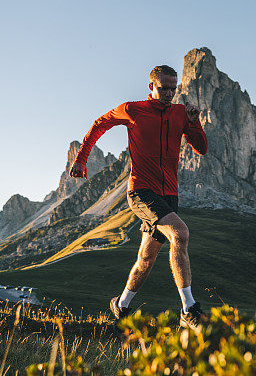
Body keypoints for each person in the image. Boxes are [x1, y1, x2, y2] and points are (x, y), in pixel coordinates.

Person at [69, 64, 208, 331]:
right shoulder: (133, 110)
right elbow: (100, 124)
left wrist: (194, 121)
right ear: (151, 87)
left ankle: (121, 305)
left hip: (170, 195)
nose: (169, 93)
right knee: (180, 234)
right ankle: (189, 309)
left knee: (146, 258)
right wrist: (81, 158)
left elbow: (201, 148)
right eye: (163, 88)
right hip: (141, 191)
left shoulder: (181, 113)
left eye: (173, 88)